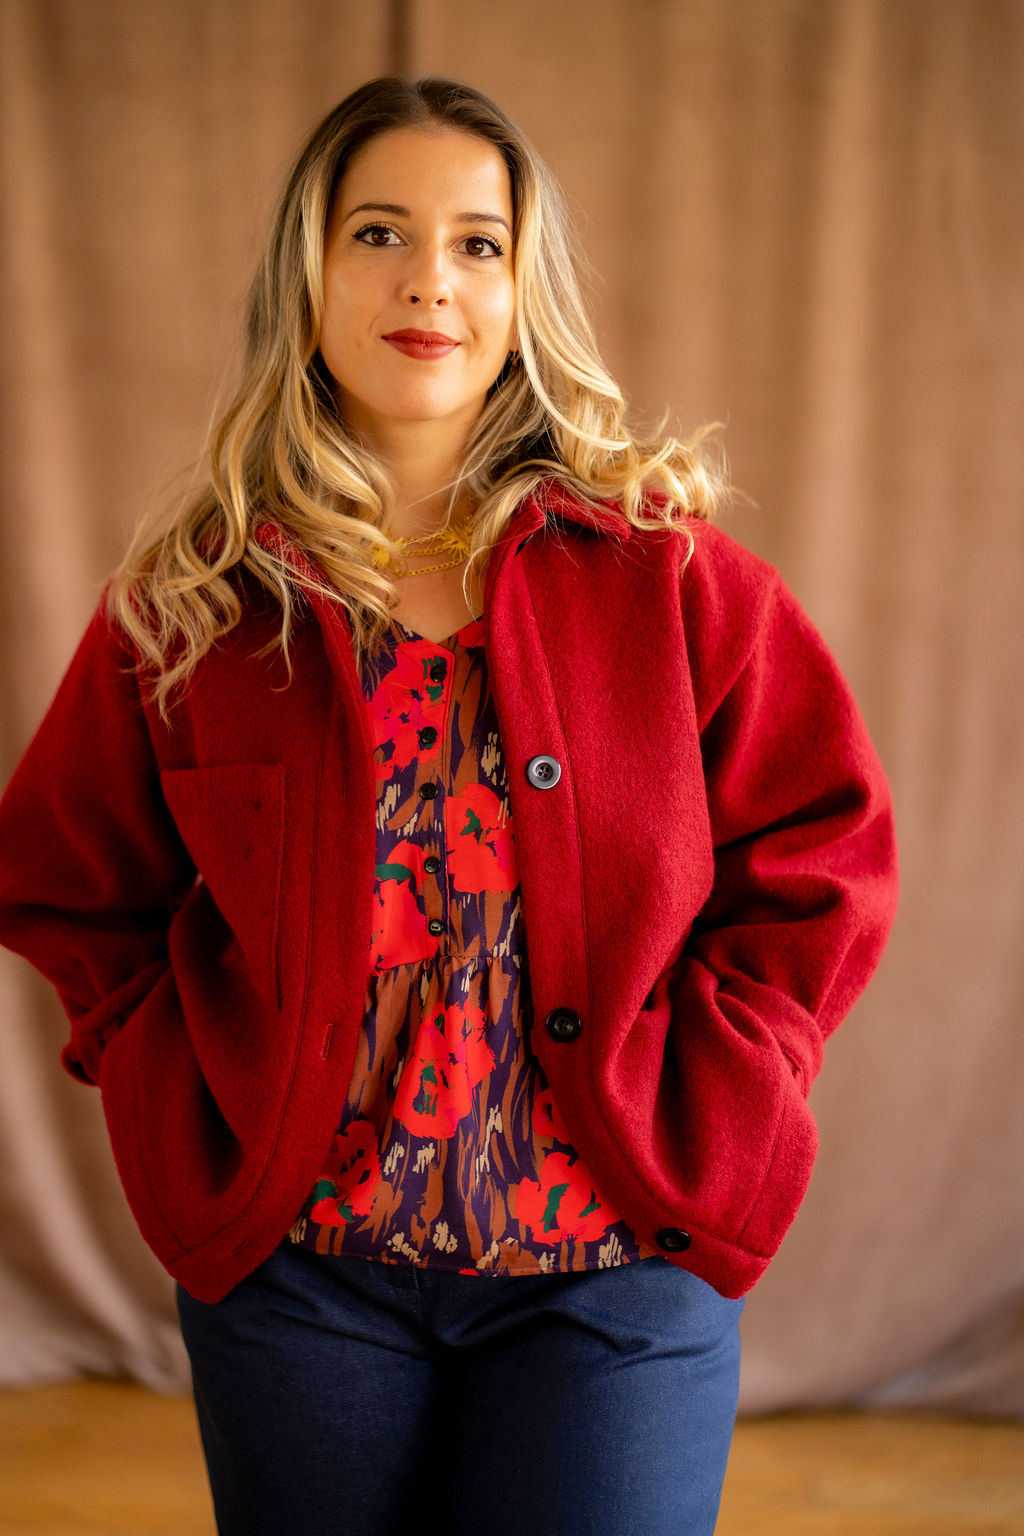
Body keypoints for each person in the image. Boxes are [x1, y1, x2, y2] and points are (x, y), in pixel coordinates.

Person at [0, 75, 898, 1536]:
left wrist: (738, 1069)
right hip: (301, 1277)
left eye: (480, 243)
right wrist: (173, 1071)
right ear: (306, 273)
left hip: (617, 1269)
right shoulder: (198, 604)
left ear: (523, 291)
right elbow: (64, 877)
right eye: (379, 233)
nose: (430, 279)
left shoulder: (670, 578)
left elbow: (827, 853)